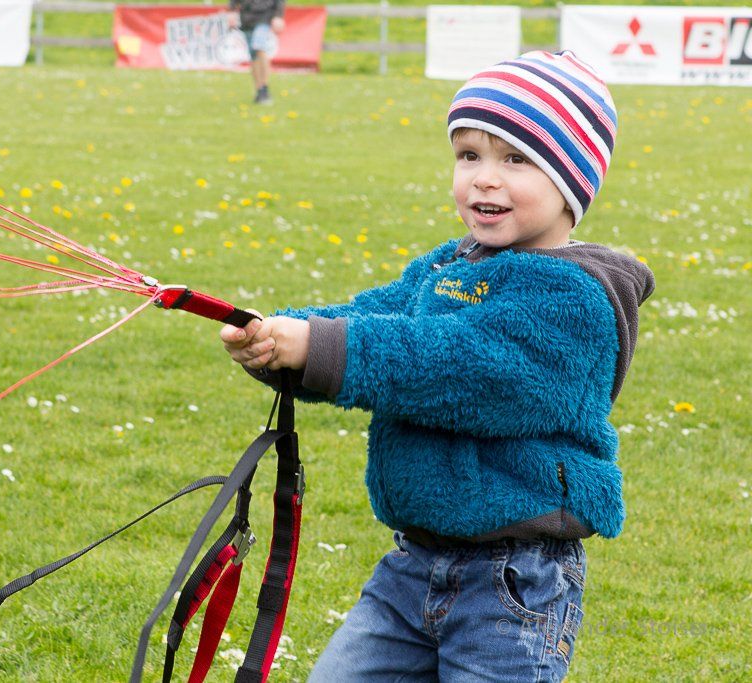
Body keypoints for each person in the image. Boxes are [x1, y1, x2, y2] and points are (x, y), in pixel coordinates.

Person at [220, 50, 655, 681]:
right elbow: (374, 313)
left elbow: (463, 367)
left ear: (571, 182)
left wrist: (321, 345)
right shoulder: (453, 265)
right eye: (469, 155)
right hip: (412, 567)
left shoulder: (574, 298)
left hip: (515, 583)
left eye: (516, 159)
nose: (484, 179)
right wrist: (277, 340)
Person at [227, 0, 285, 104]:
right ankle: (259, 90)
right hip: (247, 18)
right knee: (253, 55)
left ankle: (264, 88)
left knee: (259, 46)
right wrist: (231, 11)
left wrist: (278, 16)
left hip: (265, 16)